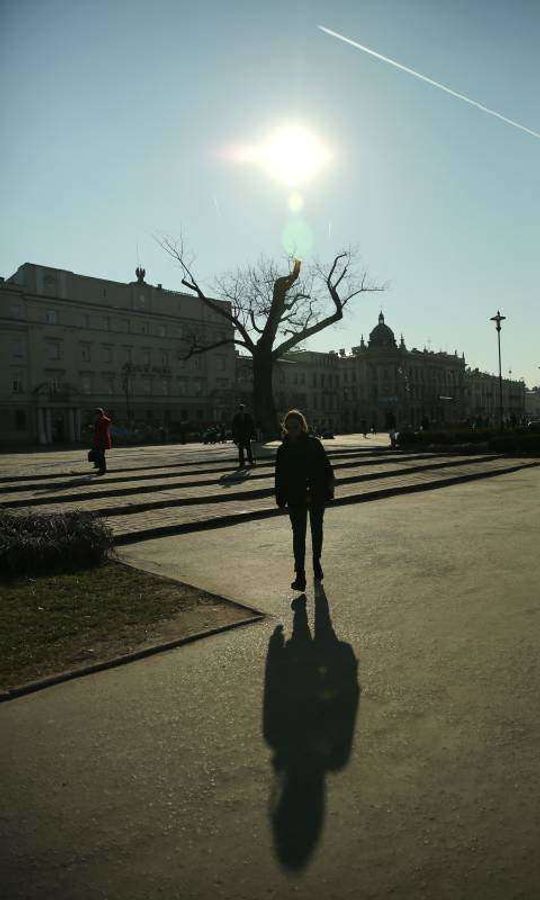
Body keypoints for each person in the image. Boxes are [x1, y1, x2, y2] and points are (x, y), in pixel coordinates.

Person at [275, 409, 335, 591]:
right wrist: (280, 499)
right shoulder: (283, 450)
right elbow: (280, 476)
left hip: (316, 492)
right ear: (285, 428)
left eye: (296, 426)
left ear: (302, 426)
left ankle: (316, 562)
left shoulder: (314, 444)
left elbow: (326, 467)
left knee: (317, 530)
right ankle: (300, 574)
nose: (292, 430)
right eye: (289, 427)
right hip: (295, 495)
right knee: (298, 535)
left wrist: (329, 489)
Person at [231, 403, 256, 467]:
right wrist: (234, 436)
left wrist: (253, 434)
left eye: (242, 409)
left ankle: (250, 461)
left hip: (247, 435)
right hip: (240, 435)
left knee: (248, 449)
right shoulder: (236, 417)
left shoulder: (247, 416)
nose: (242, 410)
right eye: (241, 409)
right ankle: (242, 462)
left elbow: (251, 425)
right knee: (241, 449)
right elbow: (233, 427)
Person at [92, 407, 112, 475]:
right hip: (98, 440)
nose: (95, 416)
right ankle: (100, 468)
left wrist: (95, 427)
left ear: (99, 414)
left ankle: (102, 469)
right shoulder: (98, 420)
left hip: (102, 440)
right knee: (98, 454)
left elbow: (102, 430)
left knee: (101, 455)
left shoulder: (104, 420)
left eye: (96, 414)